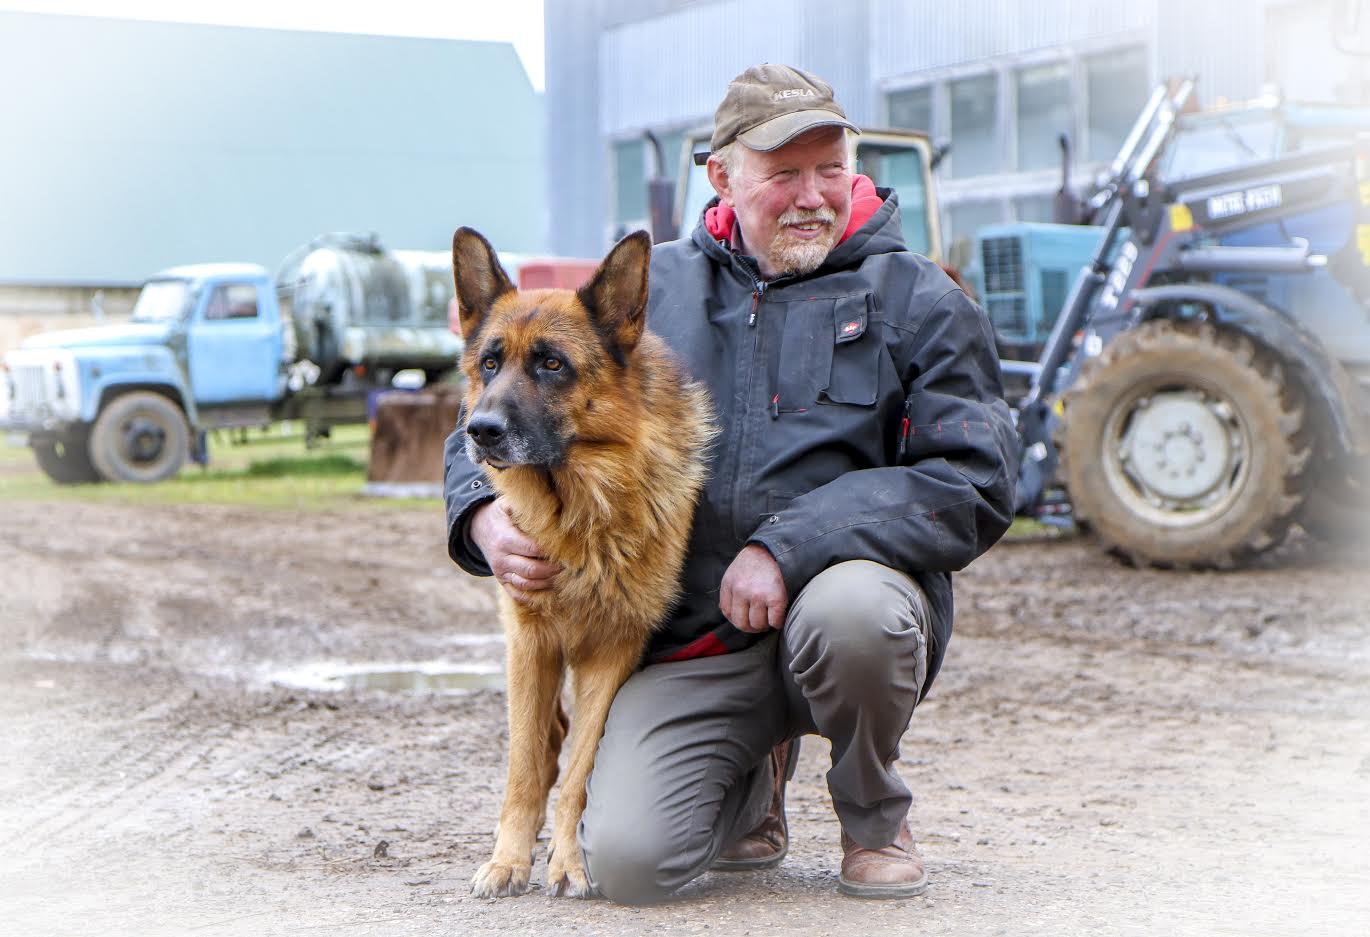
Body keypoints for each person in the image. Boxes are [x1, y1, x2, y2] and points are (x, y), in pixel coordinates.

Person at [443, 63, 1017, 903]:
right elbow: (486, 411)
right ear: (723, 175)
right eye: (784, 173)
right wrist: (484, 515)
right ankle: (753, 778)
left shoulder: (918, 298)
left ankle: (873, 814)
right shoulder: (649, 293)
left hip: (841, 613)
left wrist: (791, 546)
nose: (813, 194)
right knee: (631, 863)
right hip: (698, 642)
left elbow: (977, 478)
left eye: (831, 168)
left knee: (853, 613)